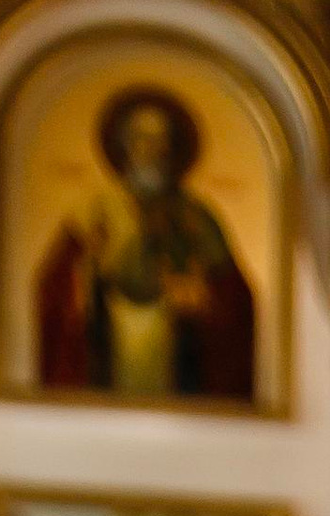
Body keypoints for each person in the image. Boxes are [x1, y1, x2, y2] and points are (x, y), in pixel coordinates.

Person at [35, 85, 257, 403]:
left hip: (180, 362)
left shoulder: (197, 216)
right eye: (141, 139)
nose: (153, 150)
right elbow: (54, 293)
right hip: (109, 351)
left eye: (161, 140)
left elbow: (235, 302)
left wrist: (203, 298)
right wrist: (85, 280)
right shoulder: (93, 209)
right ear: (124, 147)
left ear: (174, 147)